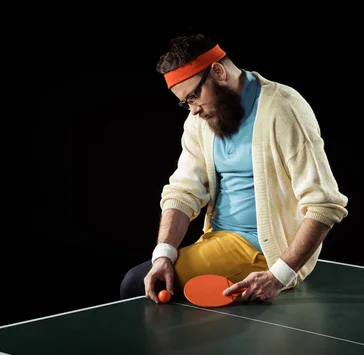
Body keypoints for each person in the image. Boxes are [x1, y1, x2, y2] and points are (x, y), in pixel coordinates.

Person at [119, 32, 348, 304]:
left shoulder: (283, 109)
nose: (192, 110)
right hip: (217, 241)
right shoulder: (200, 121)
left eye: (194, 95)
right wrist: (164, 254)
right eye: (185, 102)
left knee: (135, 284)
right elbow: (183, 191)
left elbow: (325, 204)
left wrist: (278, 276)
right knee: (156, 278)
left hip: (265, 253)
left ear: (218, 72)